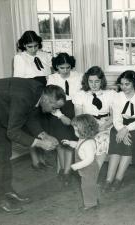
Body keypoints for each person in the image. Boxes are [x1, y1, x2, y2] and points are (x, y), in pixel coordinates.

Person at [0, 78, 65, 214]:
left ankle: (6, 191)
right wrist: (40, 143)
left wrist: (44, 135)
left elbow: (30, 116)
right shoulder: (24, 97)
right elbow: (13, 132)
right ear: (46, 100)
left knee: (4, 151)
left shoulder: (39, 92)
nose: (54, 111)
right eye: (54, 108)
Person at [103, 70, 135, 192]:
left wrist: (126, 130)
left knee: (129, 141)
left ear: (134, 83)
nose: (124, 87)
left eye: (127, 84)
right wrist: (121, 130)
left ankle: (118, 178)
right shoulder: (117, 97)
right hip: (120, 124)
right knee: (115, 137)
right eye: (121, 84)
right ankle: (109, 179)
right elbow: (117, 118)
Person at [13, 30, 53, 169]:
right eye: (30, 46)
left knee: (43, 127)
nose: (33, 49)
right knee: (32, 127)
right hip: (29, 94)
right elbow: (18, 81)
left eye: (36, 46)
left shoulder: (44, 55)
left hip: (44, 94)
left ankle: (43, 159)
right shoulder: (19, 58)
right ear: (24, 45)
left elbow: (49, 76)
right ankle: (36, 161)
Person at [47, 53, 82, 186]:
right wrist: (60, 116)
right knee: (60, 142)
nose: (66, 70)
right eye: (62, 68)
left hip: (74, 109)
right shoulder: (52, 78)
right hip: (57, 111)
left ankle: (67, 172)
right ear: (57, 67)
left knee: (70, 140)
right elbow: (50, 100)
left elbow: (81, 96)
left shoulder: (78, 76)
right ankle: (63, 169)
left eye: (68, 67)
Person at [72, 66, 115, 169]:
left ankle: (95, 173)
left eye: (97, 81)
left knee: (103, 139)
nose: (94, 84)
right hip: (87, 124)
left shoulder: (110, 94)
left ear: (102, 81)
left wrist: (103, 126)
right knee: (87, 142)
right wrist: (91, 127)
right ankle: (87, 171)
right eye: (91, 81)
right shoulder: (80, 95)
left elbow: (114, 116)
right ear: (87, 81)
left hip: (106, 124)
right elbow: (79, 117)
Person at [62, 114, 100, 211]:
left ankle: (90, 204)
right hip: (87, 168)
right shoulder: (83, 140)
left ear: (84, 130)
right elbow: (79, 146)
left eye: (75, 130)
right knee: (91, 185)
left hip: (89, 168)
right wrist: (70, 143)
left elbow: (89, 159)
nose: (74, 132)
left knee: (86, 186)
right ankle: (94, 199)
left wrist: (76, 166)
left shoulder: (88, 143)